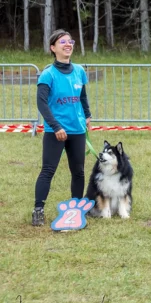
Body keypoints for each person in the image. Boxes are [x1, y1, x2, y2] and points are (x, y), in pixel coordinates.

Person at [32, 30, 91, 226]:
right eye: (62, 42)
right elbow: (41, 104)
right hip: (55, 132)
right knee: (48, 170)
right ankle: (38, 210)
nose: (68, 44)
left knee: (79, 171)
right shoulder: (48, 74)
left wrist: (88, 115)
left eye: (70, 41)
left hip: (77, 130)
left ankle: (75, 209)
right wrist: (56, 126)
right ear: (53, 48)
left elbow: (82, 97)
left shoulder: (79, 71)